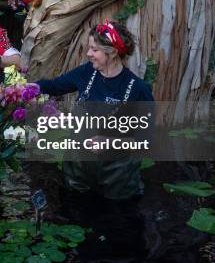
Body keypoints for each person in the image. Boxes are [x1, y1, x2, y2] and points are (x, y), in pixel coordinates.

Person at [35, 20, 155, 200]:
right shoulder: (85, 73)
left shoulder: (139, 89)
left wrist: (111, 142)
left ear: (113, 52)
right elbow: (52, 86)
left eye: (95, 49)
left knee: (115, 222)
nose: (89, 54)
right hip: (77, 175)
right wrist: (27, 88)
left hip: (118, 180)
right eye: (89, 48)